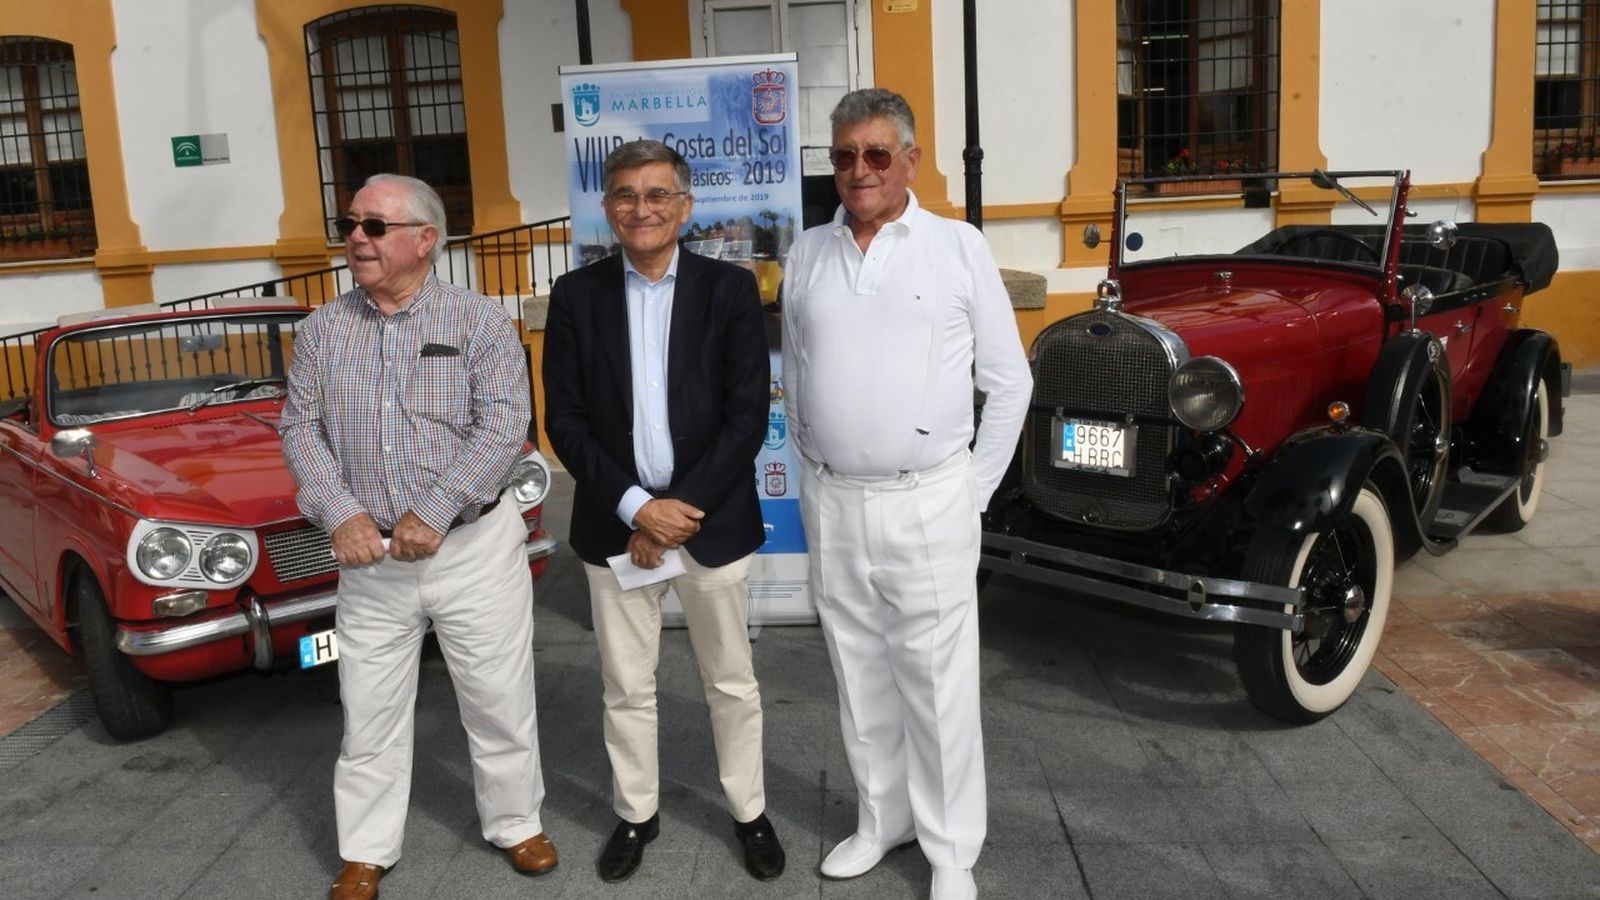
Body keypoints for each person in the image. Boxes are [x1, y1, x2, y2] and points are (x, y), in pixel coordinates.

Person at [780, 88, 1032, 900]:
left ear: (911, 161)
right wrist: (812, 462)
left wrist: (973, 494)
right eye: (845, 155)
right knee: (858, 675)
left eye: (877, 154)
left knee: (937, 683)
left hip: (929, 501)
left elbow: (1010, 383)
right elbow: (796, 372)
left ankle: (952, 849)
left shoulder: (957, 248)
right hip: (833, 501)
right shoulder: (807, 252)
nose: (860, 170)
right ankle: (880, 819)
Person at [280, 174, 556, 900]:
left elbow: (504, 428)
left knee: (497, 696)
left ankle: (516, 822)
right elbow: (300, 429)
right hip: (370, 560)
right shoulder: (321, 330)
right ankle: (366, 849)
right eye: (352, 223)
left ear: (424, 240)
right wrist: (338, 512)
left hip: (471, 548)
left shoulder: (481, 323)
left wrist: (433, 511)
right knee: (366, 707)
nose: (358, 238)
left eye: (375, 225)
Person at [542, 140, 786, 884]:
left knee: (731, 681)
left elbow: (748, 415)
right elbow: (568, 420)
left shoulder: (731, 290)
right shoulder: (576, 295)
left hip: (711, 524)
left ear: (683, 206)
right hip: (616, 528)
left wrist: (678, 512)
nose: (640, 208)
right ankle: (636, 813)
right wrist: (637, 509)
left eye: (656, 195)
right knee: (626, 685)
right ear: (606, 208)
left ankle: (749, 811)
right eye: (624, 195)